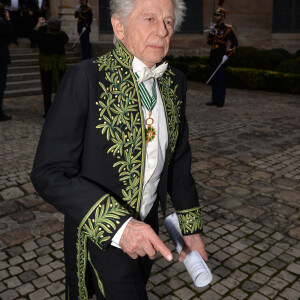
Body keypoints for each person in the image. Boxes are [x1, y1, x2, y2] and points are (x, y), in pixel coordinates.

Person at [31, 0, 207, 299]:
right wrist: (120, 227)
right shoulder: (86, 78)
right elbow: (49, 172)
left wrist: (190, 229)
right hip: (100, 235)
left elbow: (177, 161)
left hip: (148, 229)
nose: (162, 31)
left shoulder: (174, 83)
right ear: (119, 26)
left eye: (167, 22)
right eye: (149, 19)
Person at [31, 16, 69, 117]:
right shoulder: (62, 35)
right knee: (61, 89)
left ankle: (48, 111)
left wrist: (38, 26)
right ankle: (61, 110)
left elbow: (33, 37)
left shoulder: (43, 36)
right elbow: (66, 38)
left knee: (47, 89)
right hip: (59, 66)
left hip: (47, 66)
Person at [206, 7, 238, 107]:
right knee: (214, 79)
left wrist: (227, 55)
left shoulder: (228, 29)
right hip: (213, 56)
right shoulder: (213, 28)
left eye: (218, 15)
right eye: (215, 15)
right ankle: (214, 99)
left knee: (221, 79)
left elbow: (235, 44)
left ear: (222, 17)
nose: (215, 17)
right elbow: (209, 42)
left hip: (221, 57)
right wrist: (211, 33)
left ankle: (221, 101)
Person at [0, 2, 13, 122]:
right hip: (1, 57)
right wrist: (8, 20)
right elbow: (11, 36)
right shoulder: (3, 23)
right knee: (0, 86)